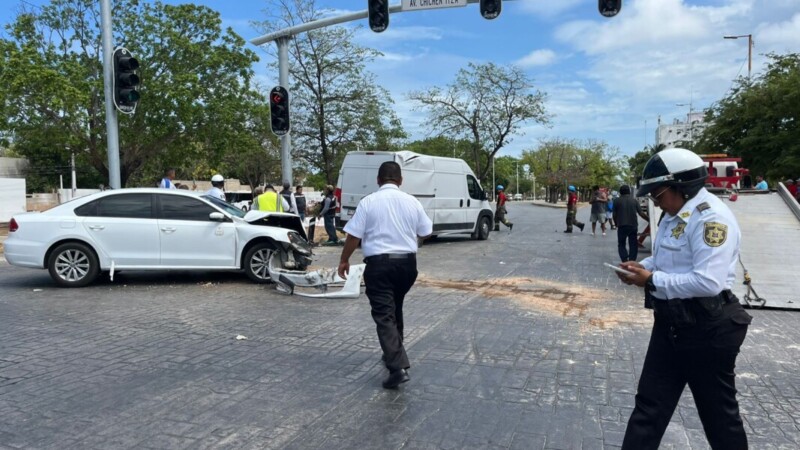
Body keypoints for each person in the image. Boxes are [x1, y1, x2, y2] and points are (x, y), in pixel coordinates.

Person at [616, 148, 752, 450]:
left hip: (708, 329)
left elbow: (708, 281)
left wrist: (651, 280)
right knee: (648, 408)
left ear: (684, 186)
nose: (655, 201)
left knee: (719, 419)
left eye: (659, 194)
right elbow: (668, 259)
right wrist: (644, 266)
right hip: (671, 324)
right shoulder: (672, 214)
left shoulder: (711, 219)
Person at [337, 161, 433, 389]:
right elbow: (426, 231)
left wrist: (344, 260)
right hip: (407, 266)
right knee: (394, 307)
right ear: (400, 181)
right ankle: (393, 352)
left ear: (378, 180)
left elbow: (353, 236)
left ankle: (397, 367)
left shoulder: (369, 202)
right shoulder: (412, 201)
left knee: (384, 315)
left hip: (379, 266)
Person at [613, 185, 648, 262]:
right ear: (629, 191)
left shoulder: (616, 201)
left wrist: (616, 223)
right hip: (633, 226)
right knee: (633, 244)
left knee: (621, 244)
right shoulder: (634, 201)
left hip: (621, 225)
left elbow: (614, 215)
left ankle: (624, 259)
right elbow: (641, 213)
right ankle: (632, 260)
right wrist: (649, 220)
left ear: (620, 192)